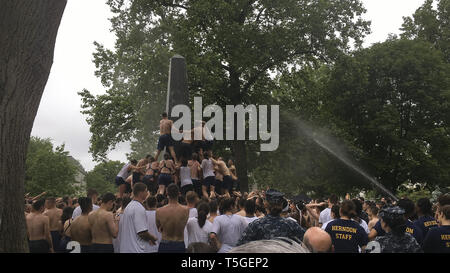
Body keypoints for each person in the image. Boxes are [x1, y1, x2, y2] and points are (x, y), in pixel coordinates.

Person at [237, 190, 305, 247]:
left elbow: (240, 246)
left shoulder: (256, 225)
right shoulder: (291, 224)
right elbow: (308, 240)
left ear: (265, 204)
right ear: (281, 205)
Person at [119, 183, 157, 253]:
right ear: (141, 193)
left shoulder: (129, 206)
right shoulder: (138, 208)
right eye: (146, 191)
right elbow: (142, 232)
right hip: (135, 249)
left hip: (126, 248)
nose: (147, 193)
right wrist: (152, 238)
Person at [156, 183, 190, 253]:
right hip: (179, 243)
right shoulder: (186, 210)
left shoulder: (159, 211)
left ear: (167, 193)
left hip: (165, 243)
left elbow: (159, 228)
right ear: (179, 193)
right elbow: (184, 223)